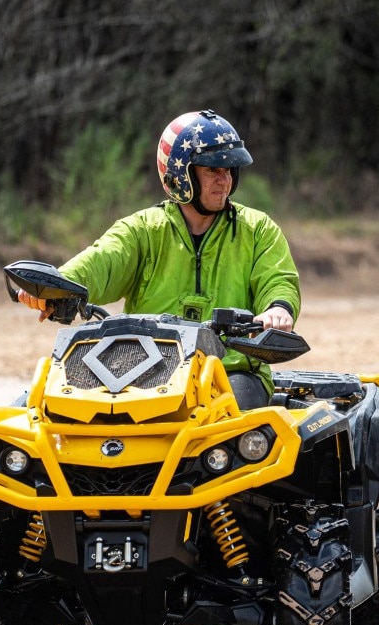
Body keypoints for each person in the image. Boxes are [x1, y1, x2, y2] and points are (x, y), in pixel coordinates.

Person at [17, 109, 300, 409]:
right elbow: (101, 261)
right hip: (141, 373)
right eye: (213, 171)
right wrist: (54, 286)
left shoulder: (258, 229)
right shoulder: (142, 229)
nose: (225, 180)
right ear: (182, 176)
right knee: (36, 408)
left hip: (232, 372)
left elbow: (278, 279)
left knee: (235, 423)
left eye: (229, 171)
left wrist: (278, 309)